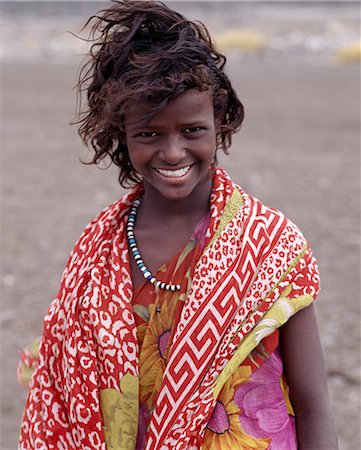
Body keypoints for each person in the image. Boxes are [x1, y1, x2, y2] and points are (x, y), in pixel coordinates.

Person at [18, 1, 338, 449]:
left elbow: (312, 404)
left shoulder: (269, 242)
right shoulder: (97, 250)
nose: (172, 153)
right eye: (149, 134)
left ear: (219, 123)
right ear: (121, 136)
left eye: (192, 130)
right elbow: (62, 381)